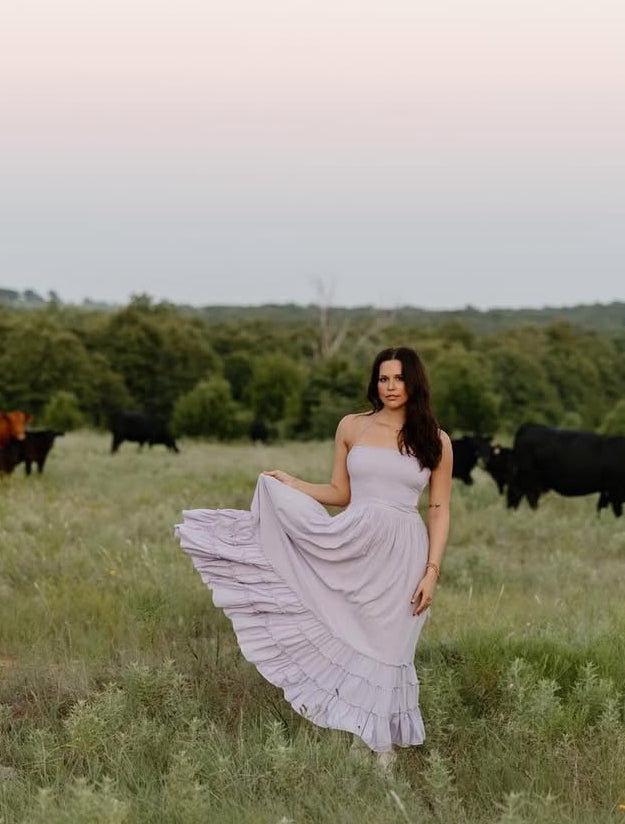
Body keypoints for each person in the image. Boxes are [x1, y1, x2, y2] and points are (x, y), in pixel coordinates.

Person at [175, 346, 453, 774]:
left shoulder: (435, 439)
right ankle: (364, 736)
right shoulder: (352, 426)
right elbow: (340, 493)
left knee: (389, 645)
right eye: (383, 378)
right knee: (351, 633)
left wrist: (431, 572)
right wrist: (293, 483)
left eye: (399, 378)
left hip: (403, 552)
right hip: (353, 541)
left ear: (414, 382)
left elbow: (438, 509)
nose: (390, 386)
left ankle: (380, 749)